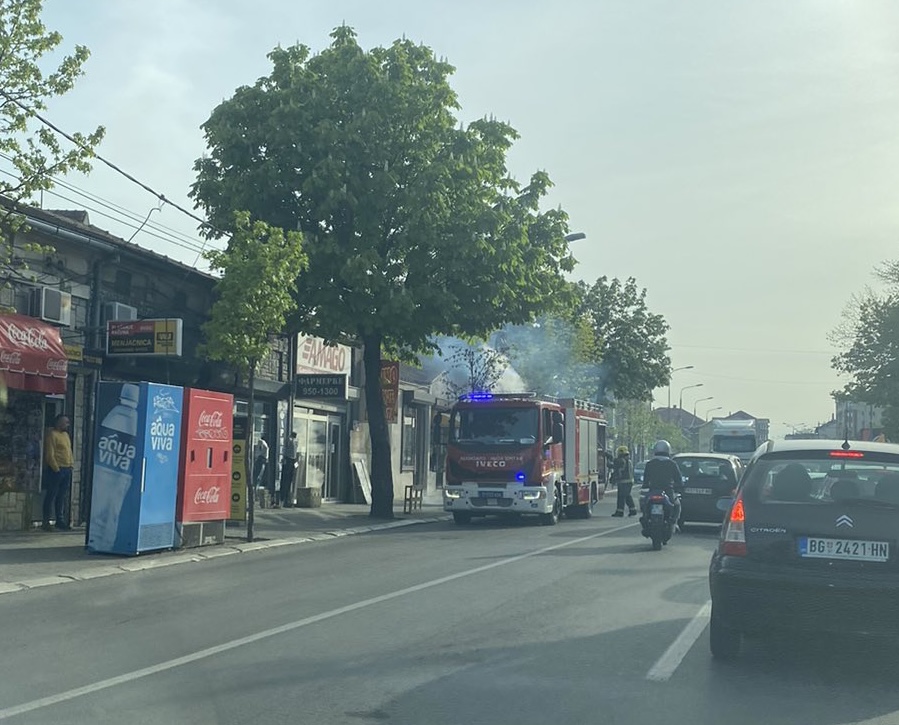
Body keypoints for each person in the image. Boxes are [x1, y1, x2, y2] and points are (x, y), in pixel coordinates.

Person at [640, 439, 683, 528]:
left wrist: (645, 485)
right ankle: (673, 522)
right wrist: (679, 486)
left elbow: (645, 479)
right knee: (677, 505)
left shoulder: (650, 464)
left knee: (644, 503)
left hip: (653, 490)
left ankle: (645, 518)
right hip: (668, 491)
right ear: (668, 450)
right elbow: (678, 479)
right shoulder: (672, 464)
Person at [43, 414, 74, 531]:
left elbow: (68, 451)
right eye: (65, 422)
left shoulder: (65, 435)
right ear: (59, 422)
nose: (67, 424)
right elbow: (49, 454)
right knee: (51, 495)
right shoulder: (52, 434)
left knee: (61, 496)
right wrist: (56, 468)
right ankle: (46, 522)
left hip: (67, 468)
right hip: (57, 469)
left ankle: (59, 520)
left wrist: (71, 464)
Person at [611, 445, 637, 517]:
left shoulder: (621, 460)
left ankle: (620, 512)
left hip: (624, 482)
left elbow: (615, 464)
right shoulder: (628, 461)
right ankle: (633, 510)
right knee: (627, 496)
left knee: (621, 497)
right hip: (629, 482)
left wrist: (609, 459)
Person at [279, 431, 299, 507]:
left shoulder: (290, 441)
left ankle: (283, 499)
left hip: (288, 461)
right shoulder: (296, 443)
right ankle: (287, 499)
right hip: (292, 462)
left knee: (285, 480)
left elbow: (285, 448)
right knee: (289, 481)